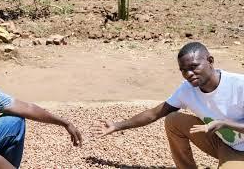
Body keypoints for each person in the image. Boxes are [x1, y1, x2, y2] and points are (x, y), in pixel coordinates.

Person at [94, 42, 244, 169]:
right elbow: (154, 113)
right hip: (224, 144)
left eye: (194, 67)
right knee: (173, 120)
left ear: (210, 61)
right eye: (183, 70)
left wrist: (223, 124)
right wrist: (117, 125)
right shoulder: (187, 90)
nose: (189, 74)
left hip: (241, 152)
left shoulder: (239, 85)